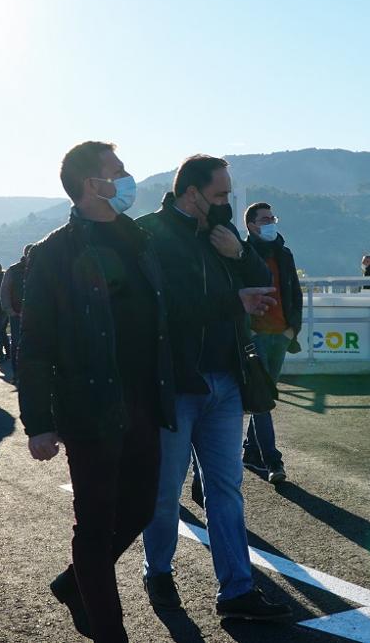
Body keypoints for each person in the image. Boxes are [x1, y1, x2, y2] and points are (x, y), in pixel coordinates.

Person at [20, 141, 176, 643]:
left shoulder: (140, 240)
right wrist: (38, 422)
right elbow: (35, 343)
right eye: (120, 171)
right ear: (94, 184)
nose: (129, 178)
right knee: (94, 524)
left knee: (142, 508)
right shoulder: (53, 253)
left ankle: (73, 584)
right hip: (88, 405)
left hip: (144, 402)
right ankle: (111, 633)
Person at [137, 155, 291, 622]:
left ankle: (237, 591)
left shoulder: (221, 236)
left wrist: (240, 255)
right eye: (221, 194)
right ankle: (158, 571)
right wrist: (233, 299)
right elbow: (161, 308)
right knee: (166, 491)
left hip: (226, 379)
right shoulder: (149, 235)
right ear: (191, 193)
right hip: (177, 384)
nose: (228, 202)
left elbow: (261, 283)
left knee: (226, 489)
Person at [241, 202, 301, 484]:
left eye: (272, 217)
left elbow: (295, 293)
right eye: (265, 219)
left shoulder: (283, 254)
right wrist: (248, 332)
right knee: (263, 400)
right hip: (256, 337)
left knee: (265, 396)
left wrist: (292, 329)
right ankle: (273, 461)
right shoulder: (241, 255)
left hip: (280, 334)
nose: (271, 222)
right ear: (251, 225)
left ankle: (251, 451)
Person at [0, 244, 32, 376]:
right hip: (17, 314)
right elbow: (5, 291)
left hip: (35, 315)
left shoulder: (41, 269)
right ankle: (17, 374)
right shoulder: (13, 270)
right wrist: (10, 310)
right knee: (17, 345)